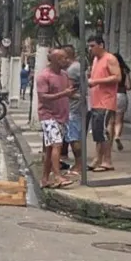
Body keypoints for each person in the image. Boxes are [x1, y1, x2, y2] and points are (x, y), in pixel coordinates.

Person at [35, 48, 75, 189]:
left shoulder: (64, 75)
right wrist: (64, 93)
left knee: (50, 148)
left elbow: (67, 93)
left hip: (62, 116)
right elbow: (43, 97)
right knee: (57, 144)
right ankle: (57, 176)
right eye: (64, 58)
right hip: (48, 116)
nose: (67, 61)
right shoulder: (44, 76)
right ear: (56, 60)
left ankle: (45, 179)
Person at [87, 35, 120, 172]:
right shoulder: (95, 59)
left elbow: (117, 77)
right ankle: (97, 158)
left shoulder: (110, 58)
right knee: (97, 131)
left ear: (101, 45)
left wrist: (97, 81)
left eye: (93, 46)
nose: (90, 49)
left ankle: (107, 160)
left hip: (106, 101)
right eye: (89, 46)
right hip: (95, 100)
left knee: (105, 130)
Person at [61, 45, 84, 176]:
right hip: (78, 106)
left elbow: (69, 91)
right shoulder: (78, 67)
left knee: (73, 137)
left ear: (67, 57)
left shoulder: (71, 70)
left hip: (73, 108)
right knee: (76, 137)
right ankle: (79, 163)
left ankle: (78, 165)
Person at [113, 53, 131, 151]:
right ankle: (117, 136)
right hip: (121, 95)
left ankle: (108, 142)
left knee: (109, 121)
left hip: (110, 95)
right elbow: (129, 86)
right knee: (119, 120)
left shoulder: (109, 70)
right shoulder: (124, 71)